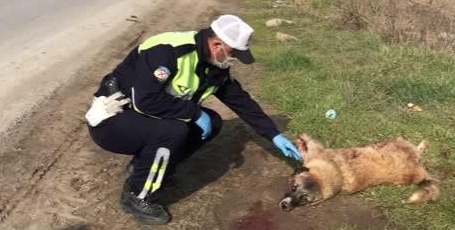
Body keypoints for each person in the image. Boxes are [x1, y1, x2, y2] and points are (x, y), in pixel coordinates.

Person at [85, 14, 302, 225]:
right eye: (233, 53)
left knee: (213, 121)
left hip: (144, 119)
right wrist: (195, 113)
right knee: (174, 130)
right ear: (217, 45)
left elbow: (240, 101)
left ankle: (146, 167)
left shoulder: (215, 65)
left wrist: (273, 134)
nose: (233, 59)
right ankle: (136, 195)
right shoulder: (168, 52)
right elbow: (145, 100)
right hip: (113, 121)